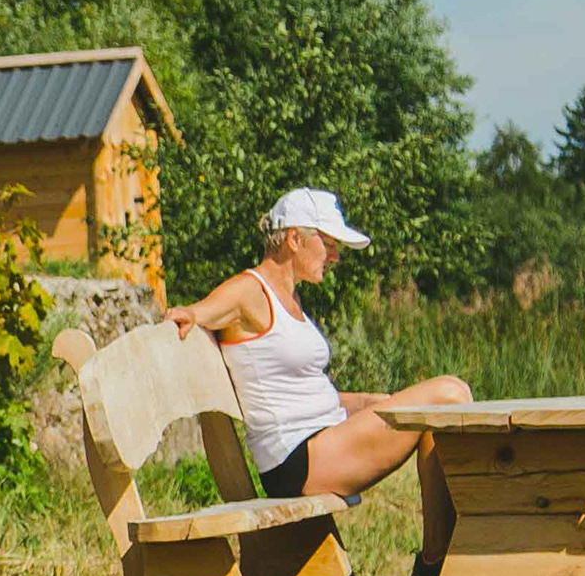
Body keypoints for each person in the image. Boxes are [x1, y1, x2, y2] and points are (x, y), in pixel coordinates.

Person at [163, 187, 473, 505]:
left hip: (320, 442)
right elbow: (206, 309)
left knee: (440, 409)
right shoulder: (250, 291)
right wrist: (190, 314)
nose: (336, 257)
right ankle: (443, 551)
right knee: (449, 393)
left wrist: (367, 401)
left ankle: (440, 550)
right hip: (297, 458)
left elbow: (296, 393)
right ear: (294, 239)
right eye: (329, 245)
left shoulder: (291, 299)